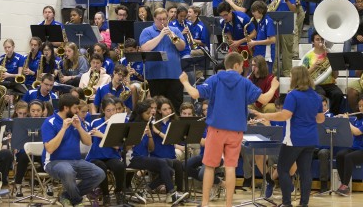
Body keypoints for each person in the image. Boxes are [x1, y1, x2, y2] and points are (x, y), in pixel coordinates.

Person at [179, 52, 279, 207]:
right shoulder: (244, 82)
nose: (243, 70)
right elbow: (265, 99)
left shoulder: (215, 79)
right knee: (230, 167)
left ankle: (204, 203)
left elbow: (194, 93)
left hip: (216, 130)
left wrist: (185, 82)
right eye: (242, 67)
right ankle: (229, 205)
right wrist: (273, 87)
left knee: (210, 167)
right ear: (237, 65)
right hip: (236, 131)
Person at [252, 66, 325, 207]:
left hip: (294, 139)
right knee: (305, 172)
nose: (290, 79)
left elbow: (284, 115)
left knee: (282, 169)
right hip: (310, 139)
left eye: (291, 76)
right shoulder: (316, 96)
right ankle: (304, 204)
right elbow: (320, 119)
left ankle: (287, 203)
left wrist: (263, 115)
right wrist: (307, 116)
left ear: (296, 78)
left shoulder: (293, 95)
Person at [41, 93, 105, 206]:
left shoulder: (77, 121)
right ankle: (77, 201)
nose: (77, 111)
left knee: (99, 173)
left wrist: (79, 127)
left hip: (76, 161)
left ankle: (67, 196)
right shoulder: (50, 122)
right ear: (66, 108)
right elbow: (50, 149)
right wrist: (63, 129)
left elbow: (88, 142)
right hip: (54, 163)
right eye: (75, 108)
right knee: (68, 171)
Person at [127, 101, 189, 205]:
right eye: (147, 113)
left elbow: (151, 148)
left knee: (169, 171)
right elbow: (127, 147)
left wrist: (150, 135)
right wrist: (137, 137)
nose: (150, 115)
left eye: (150, 113)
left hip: (145, 159)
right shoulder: (133, 126)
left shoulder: (148, 126)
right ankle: (172, 194)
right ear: (140, 113)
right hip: (133, 159)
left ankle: (144, 192)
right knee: (163, 163)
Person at [139, 8, 186, 113]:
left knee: (175, 106)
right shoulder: (147, 31)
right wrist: (160, 35)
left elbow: (181, 47)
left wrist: (172, 35)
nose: (162, 22)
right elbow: (145, 48)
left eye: (164, 19)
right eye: (159, 19)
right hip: (155, 75)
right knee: (157, 107)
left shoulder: (175, 30)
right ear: (154, 19)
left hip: (174, 75)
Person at [86, 96, 126, 205]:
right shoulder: (96, 123)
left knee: (119, 166)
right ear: (103, 111)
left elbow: (117, 146)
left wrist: (101, 135)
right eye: (108, 110)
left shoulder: (119, 124)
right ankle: (105, 194)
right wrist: (89, 135)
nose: (112, 113)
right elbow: (88, 141)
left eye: (114, 110)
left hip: (112, 155)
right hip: (96, 156)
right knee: (101, 167)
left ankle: (118, 192)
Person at [302, 31, 344, 115]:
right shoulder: (308, 56)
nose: (320, 41)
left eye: (321, 39)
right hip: (315, 83)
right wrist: (313, 67)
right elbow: (302, 74)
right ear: (313, 42)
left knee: (338, 94)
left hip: (329, 83)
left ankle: (332, 115)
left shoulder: (329, 55)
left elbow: (335, 76)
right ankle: (320, 116)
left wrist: (333, 64)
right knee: (321, 94)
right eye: (317, 39)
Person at [217, 1, 257, 75]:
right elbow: (227, 32)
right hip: (236, 45)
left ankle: (245, 81)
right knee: (228, 62)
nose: (224, 18)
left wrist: (239, 42)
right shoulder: (222, 21)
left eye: (226, 15)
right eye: (222, 16)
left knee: (246, 66)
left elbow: (254, 34)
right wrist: (231, 41)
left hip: (247, 44)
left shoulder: (243, 17)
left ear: (231, 11)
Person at [335, 96, 363, 196]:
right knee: (340, 155)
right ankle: (344, 183)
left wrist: (346, 120)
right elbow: (350, 133)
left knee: (349, 157)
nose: (361, 108)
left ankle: (345, 186)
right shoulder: (357, 119)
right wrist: (341, 121)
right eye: (360, 106)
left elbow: (357, 132)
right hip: (355, 148)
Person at [271, 0, 297, 76]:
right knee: (275, 50)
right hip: (275, 26)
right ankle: (275, 73)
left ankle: (287, 72)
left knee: (287, 50)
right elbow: (270, 11)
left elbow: (294, 10)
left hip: (287, 25)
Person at [248, 1, 276, 72]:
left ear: (261, 10)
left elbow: (272, 40)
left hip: (266, 56)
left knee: (265, 78)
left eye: (254, 11)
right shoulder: (260, 22)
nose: (253, 13)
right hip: (259, 55)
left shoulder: (268, 21)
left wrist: (255, 43)